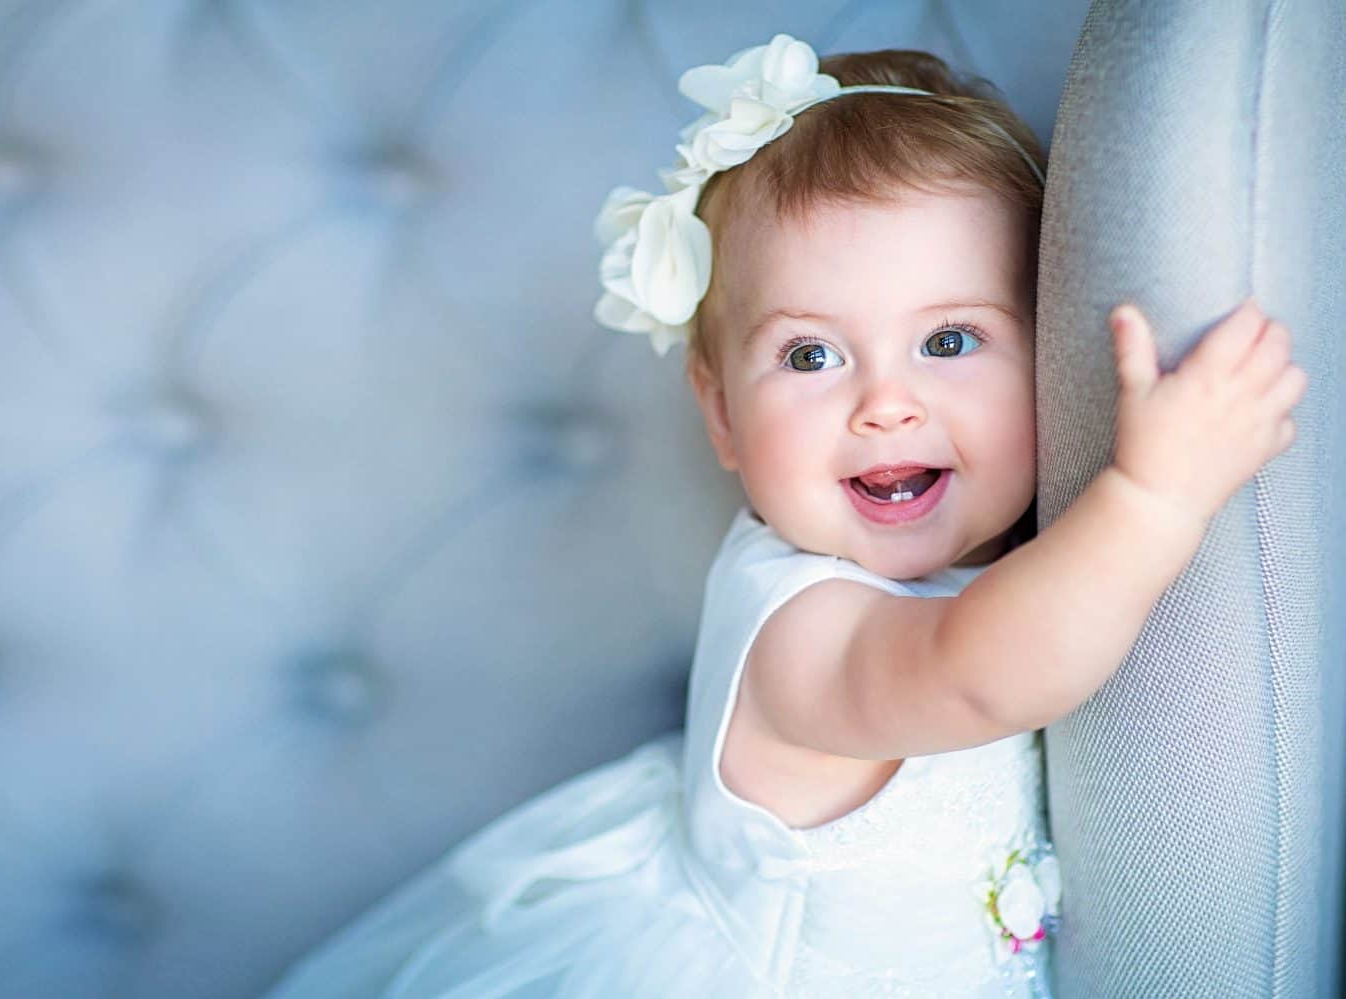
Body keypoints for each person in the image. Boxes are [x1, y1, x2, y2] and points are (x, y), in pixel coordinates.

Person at [265, 33, 1306, 999]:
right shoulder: (801, 631)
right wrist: (1156, 495)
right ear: (721, 415)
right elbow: (979, 669)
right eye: (811, 356)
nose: (884, 402)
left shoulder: (1008, 565)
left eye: (949, 341)